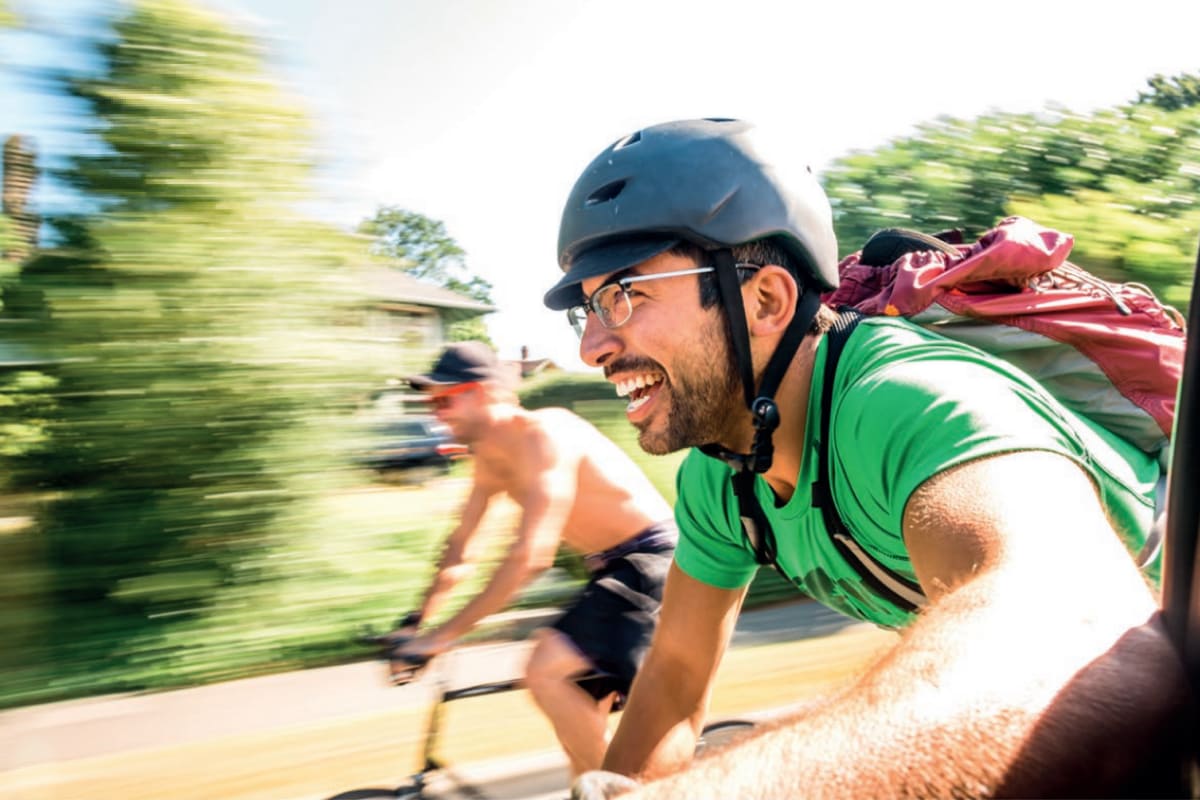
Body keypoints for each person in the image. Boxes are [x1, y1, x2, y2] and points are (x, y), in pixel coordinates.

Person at [542, 118, 1190, 798]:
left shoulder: (906, 400)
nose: (591, 347)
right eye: (586, 308)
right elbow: (674, 673)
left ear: (766, 300)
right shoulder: (722, 478)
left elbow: (1077, 646)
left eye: (623, 295)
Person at [388, 340, 677, 777]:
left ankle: (643, 792)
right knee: (577, 725)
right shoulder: (490, 460)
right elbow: (460, 552)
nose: (436, 414)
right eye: (431, 404)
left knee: (544, 670)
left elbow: (530, 557)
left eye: (444, 400)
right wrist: (416, 622)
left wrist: (440, 638)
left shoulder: (546, 434)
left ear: (482, 394)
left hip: (651, 561)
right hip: (610, 572)